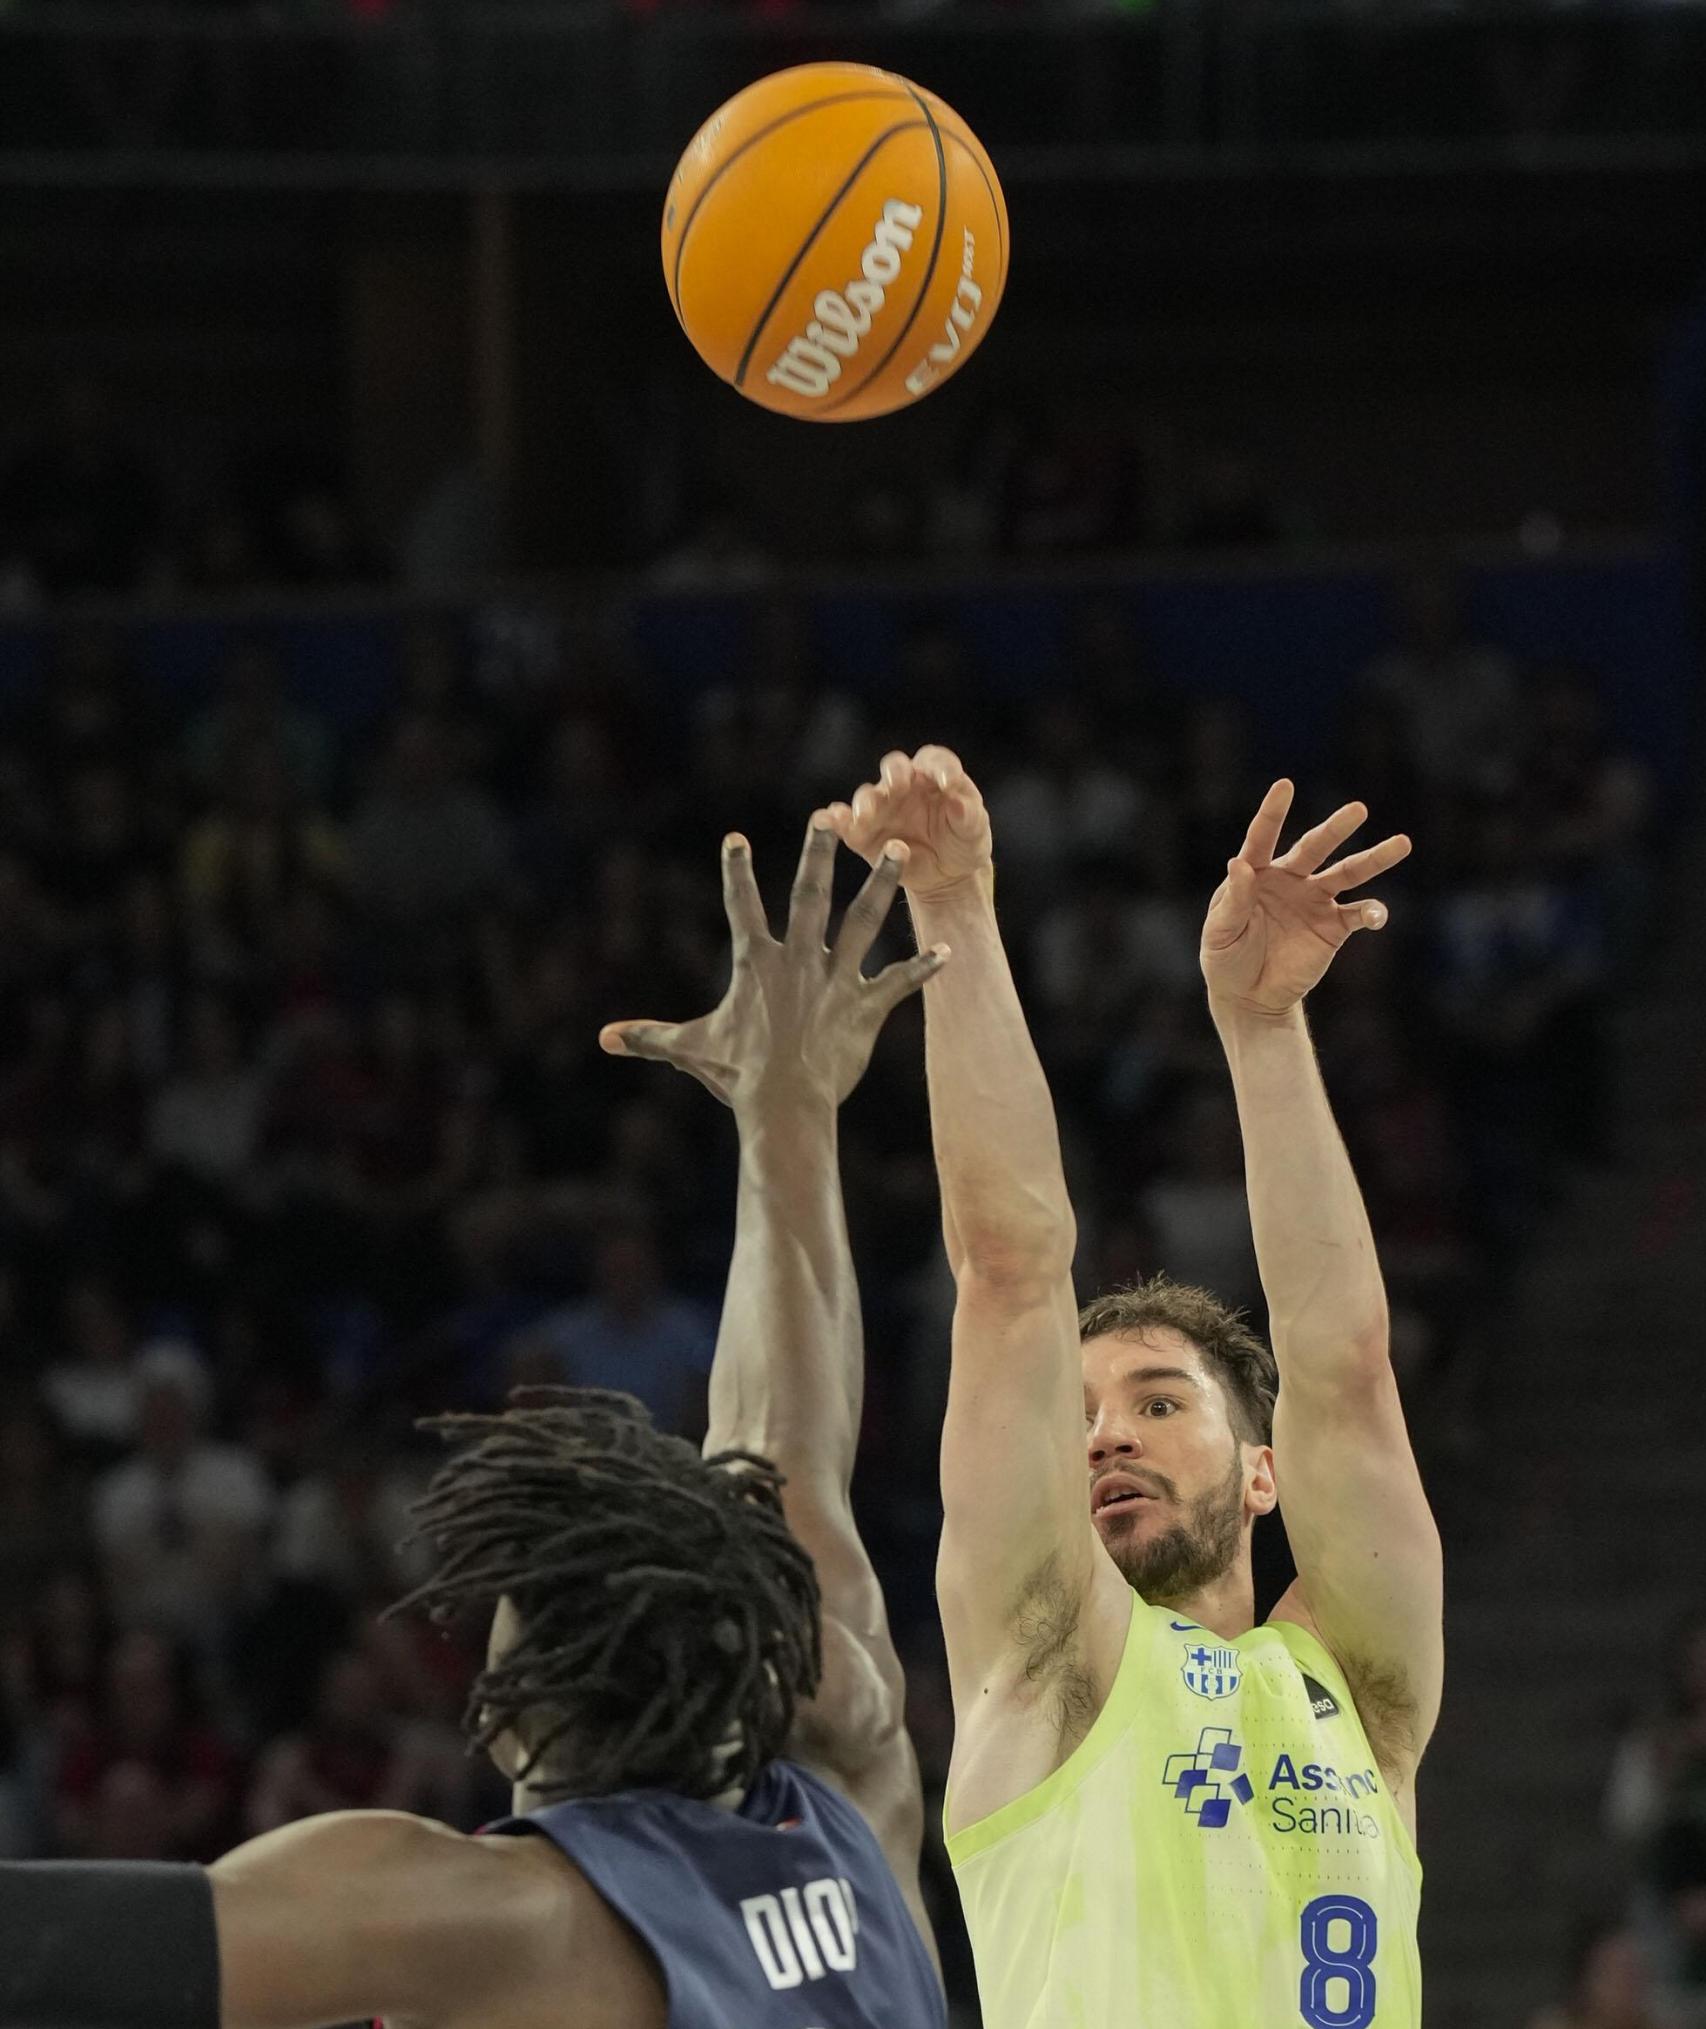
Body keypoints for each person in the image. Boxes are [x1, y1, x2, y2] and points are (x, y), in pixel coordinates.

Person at [0, 818, 944, 2029]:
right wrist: (789, 1112)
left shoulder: (495, 1919)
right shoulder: (850, 1805)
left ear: (517, 1696)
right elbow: (791, 1451)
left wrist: (786, 1118)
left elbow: (55, 1953)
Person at [828, 749, 1444, 2025]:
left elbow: (1342, 1366)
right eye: (1087, 1415)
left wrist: (1261, 1027)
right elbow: (1007, 1271)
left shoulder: (1362, 1695)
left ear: (1261, 1469)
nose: (1105, 1434)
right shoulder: (1045, 1658)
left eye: (1159, 1402)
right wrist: (953, 908)